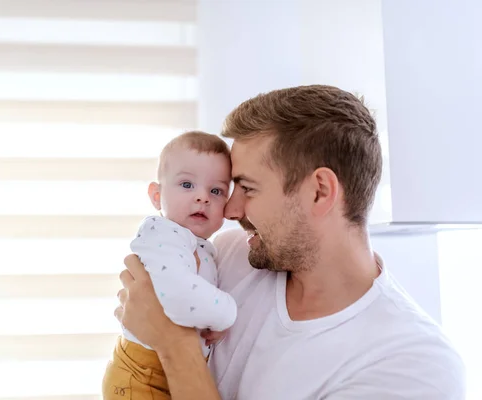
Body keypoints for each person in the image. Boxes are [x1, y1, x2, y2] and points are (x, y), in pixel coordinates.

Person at [114, 85, 466, 399]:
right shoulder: (231, 256)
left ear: (319, 192)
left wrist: (175, 343)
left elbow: (165, 331)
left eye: (248, 188)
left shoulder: (413, 367)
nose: (231, 209)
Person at [102, 131, 238, 400]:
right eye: (187, 185)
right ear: (156, 195)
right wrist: (227, 313)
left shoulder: (204, 246)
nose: (203, 197)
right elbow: (178, 295)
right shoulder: (163, 233)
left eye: (216, 190)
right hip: (143, 374)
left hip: (169, 371)